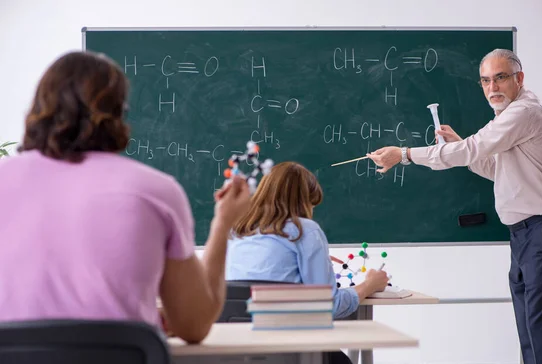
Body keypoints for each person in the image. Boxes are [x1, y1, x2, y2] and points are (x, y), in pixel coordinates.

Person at [367, 49, 542, 364]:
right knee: (533, 345)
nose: (492, 86)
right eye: (485, 80)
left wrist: (404, 154)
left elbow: (474, 149)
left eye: (501, 77)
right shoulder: (509, 116)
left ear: (519, 79)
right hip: (525, 236)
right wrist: (462, 148)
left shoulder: (522, 113)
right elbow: (495, 168)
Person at [0, 51, 251, 344]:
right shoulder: (156, 190)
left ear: (38, 106)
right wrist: (223, 225)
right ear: (118, 111)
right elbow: (192, 326)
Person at [226, 161, 389, 319]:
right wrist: (370, 285)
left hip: (238, 341)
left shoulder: (236, 231)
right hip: (289, 341)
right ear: (304, 202)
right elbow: (329, 305)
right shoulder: (305, 231)